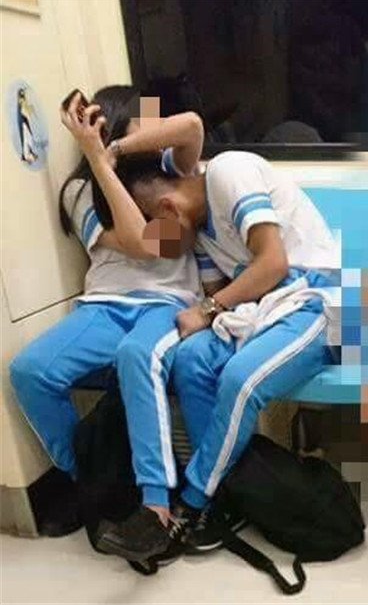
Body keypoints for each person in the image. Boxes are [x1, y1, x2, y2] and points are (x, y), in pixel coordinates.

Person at [86, 147, 339, 560]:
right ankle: (226, 498)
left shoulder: (228, 171)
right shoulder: (199, 233)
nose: (163, 249)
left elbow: (273, 264)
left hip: (316, 302)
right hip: (259, 312)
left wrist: (206, 311)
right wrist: (201, 316)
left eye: (157, 233)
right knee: (191, 360)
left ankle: (190, 505)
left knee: (240, 381)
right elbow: (216, 294)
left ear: (168, 208)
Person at [9, 86, 210, 540]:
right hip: (104, 306)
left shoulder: (170, 172)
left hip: (167, 303)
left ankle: (156, 499)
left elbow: (191, 129)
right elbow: (138, 243)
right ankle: (92, 481)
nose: (154, 126)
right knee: (30, 371)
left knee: (136, 355)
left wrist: (110, 153)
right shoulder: (80, 190)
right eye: (143, 117)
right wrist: (98, 163)